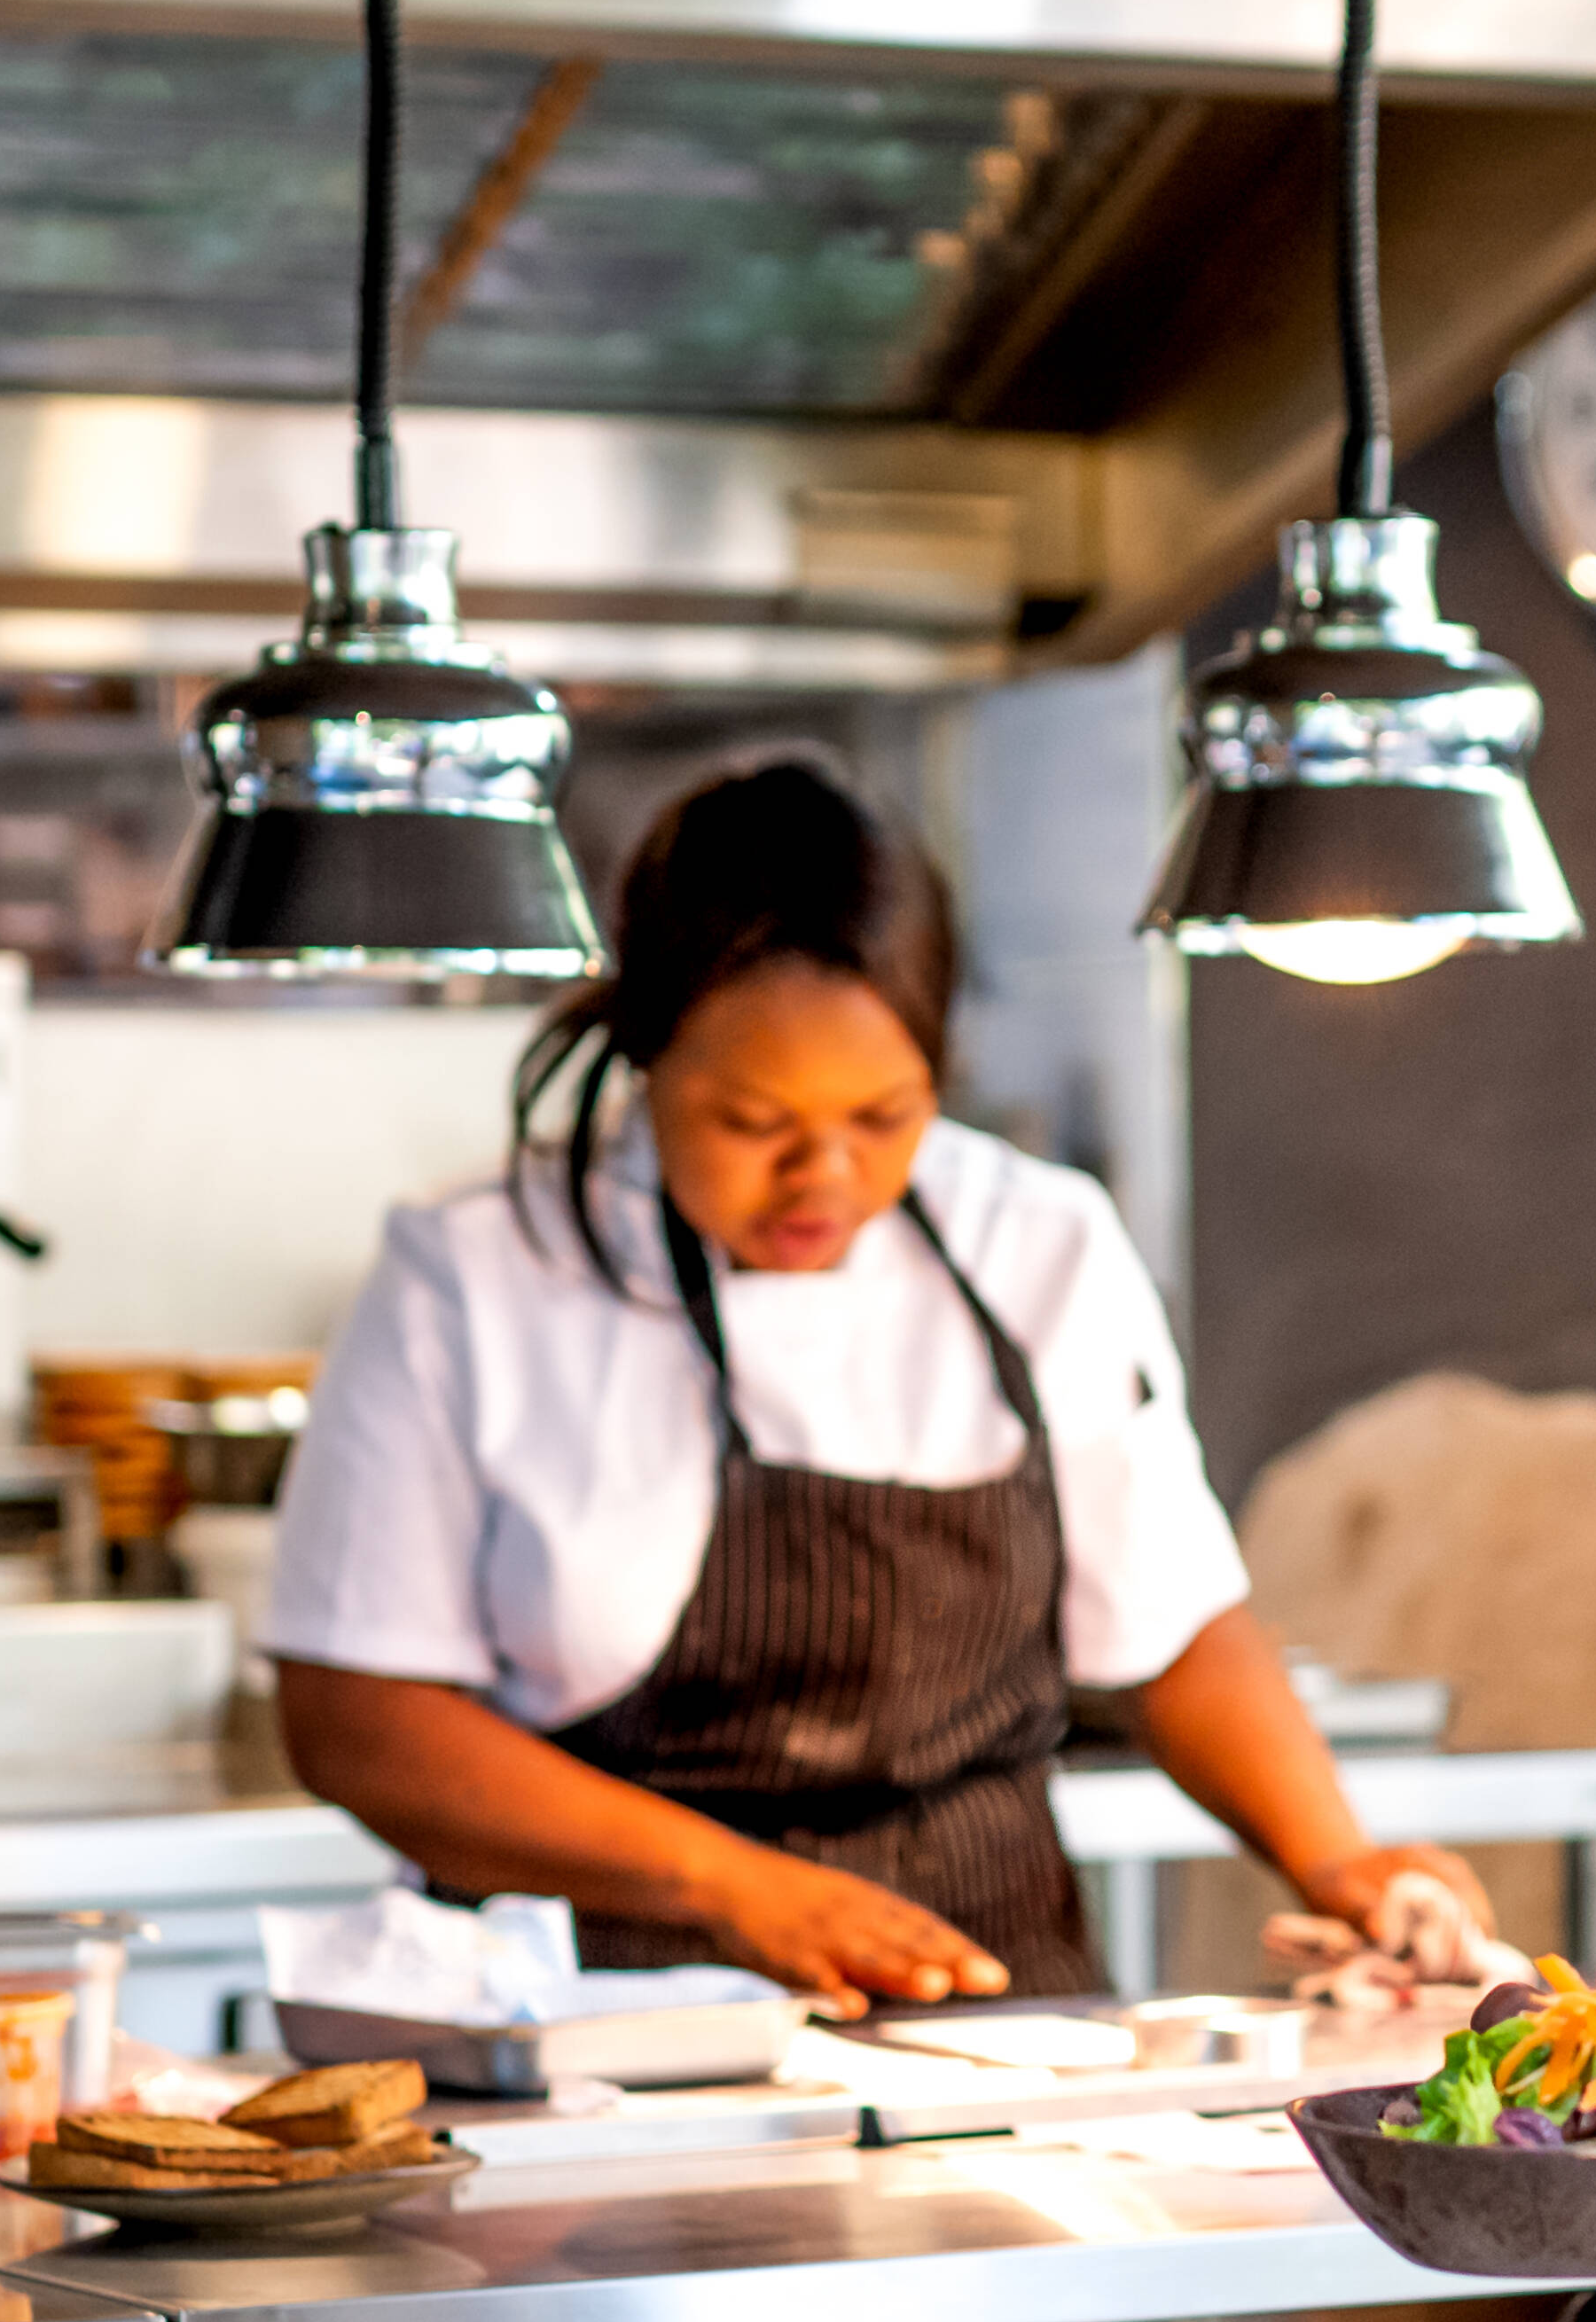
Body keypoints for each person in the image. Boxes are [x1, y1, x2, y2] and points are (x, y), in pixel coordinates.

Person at [266, 753, 1491, 2004]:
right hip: (596, 2033)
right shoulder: (474, 1272)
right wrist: (735, 1887)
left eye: (884, 1117)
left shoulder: (1038, 1239)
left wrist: (1333, 1855)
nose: (825, 1179)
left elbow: (1171, 1629)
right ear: (644, 1049)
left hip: (999, 2021)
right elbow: (354, 1717)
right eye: (753, 1123)